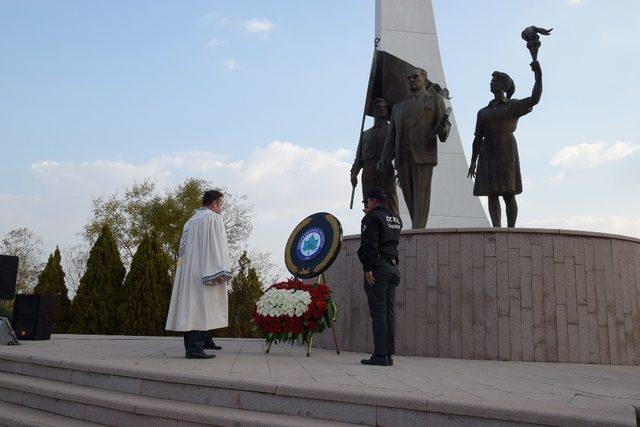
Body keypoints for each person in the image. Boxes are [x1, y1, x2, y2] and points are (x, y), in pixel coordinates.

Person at [467, 60, 542, 227]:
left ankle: (511, 229)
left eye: (495, 81)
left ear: (504, 85)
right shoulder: (483, 112)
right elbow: (477, 137)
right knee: (491, 192)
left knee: (509, 192)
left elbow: (534, 99)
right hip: (487, 150)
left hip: (506, 149)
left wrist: (538, 75)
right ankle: (496, 228)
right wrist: (473, 161)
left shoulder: (513, 106)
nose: (491, 83)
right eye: (491, 81)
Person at [378, 67, 450, 229]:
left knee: (421, 194)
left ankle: (418, 228)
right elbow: (391, 136)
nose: (411, 80)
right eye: (409, 78)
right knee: (409, 196)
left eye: (415, 77)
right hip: (403, 157)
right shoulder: (398, 107)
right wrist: (384, 158)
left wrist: (443, 129)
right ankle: (416, 226)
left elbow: (445, 128)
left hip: (423, 154)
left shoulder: (434, 101)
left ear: (424, 79)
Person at [165, 190, 232, 359]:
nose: (220, 208)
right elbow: (217, 245)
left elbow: (182, 250)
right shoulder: (213, 218)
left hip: (187, 270)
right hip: (204, 269)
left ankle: (194, 345)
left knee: (191, 307)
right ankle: (194, 348)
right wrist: (221, 270)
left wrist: (181, 271)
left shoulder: (190, 221)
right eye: (220, 205)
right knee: (199, 307)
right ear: (215, 203)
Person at [357, 187, 402, 366]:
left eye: (366, 201)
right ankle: (388, 355)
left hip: (379, 268)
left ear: (373, 200)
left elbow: (369, 244)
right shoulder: (396, 218)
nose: (366, 204)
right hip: (393, 267)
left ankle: (380, 355)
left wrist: (368, 268)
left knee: (378, 313)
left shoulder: (371, 218)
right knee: (388, 312)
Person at [350, 98, 399, 215]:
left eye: (384, 107)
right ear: (373, 111)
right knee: (369, 203)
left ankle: (393, 226)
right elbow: (359, 158)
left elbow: (398, 152)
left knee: (389, 202)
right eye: (378, 107)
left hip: (385, 169)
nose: (381, 110)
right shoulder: (365, 134)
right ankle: (371, 225)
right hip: (368, 171)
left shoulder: (392, 131)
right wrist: (353, 173)